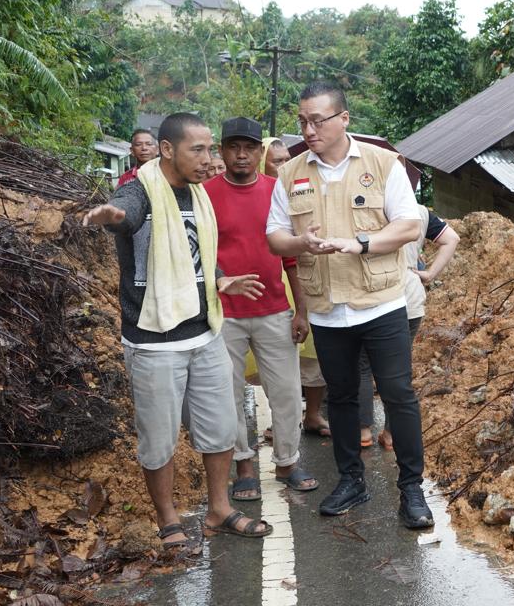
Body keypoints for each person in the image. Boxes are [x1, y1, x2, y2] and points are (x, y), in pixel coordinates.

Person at [83, 112, 273, 547]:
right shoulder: (139, 191)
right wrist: (112, 215)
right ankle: (168, 519)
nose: (209, 158)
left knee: (221, 428)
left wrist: (220, 278)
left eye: (210, 148)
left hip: (204, 333)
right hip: (154, 341)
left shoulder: (197, 195)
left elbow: (197, 253)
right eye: (198, 149)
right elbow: (125, 215)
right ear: (167, 150)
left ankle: (219, 509)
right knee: (159, 438)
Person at [265, 81, 433, 529]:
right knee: (340, 398)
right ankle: (351, 481)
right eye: (302, 120)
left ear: (344, 119)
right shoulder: (291, 173)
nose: (309, 128)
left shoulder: (381, 164)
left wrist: (360, 243)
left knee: (398, 395)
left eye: (318, 119)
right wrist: (301, 241)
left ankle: (411, 490)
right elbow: (275, 235)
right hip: (327, 309)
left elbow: (409, 226)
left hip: (380, 304)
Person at [205, 117, 319, 501]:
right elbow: (198, 254)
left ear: (260, 152)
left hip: (274, 309)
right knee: (228, 393)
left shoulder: (278, 191)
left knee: (286, 390)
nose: (241, 154)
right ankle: (244, 465)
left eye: (250, 147)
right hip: (224, 314)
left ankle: (287, 461)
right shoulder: (204, 195)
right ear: (221, 151)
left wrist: (300, 310)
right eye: (233, 147)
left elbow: (293, 258)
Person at [358, 204, 460, 451]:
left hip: (372, 295)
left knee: (362, 365)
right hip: (410, 298)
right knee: (397, 368)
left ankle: (362, 432)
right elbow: (451, 238)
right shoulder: (419, 212)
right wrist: (430, 273)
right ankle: (391, 435)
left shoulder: (364, 206)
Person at [262, 136, 331, 438]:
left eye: (285, 159)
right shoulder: (259, 193)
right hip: (269, 282)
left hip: (302, 276)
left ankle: (313, 414)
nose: (283, 165)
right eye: (276, 160)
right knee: (276, 356)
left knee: (313, 350)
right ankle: (282, 421)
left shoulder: (299, 187)